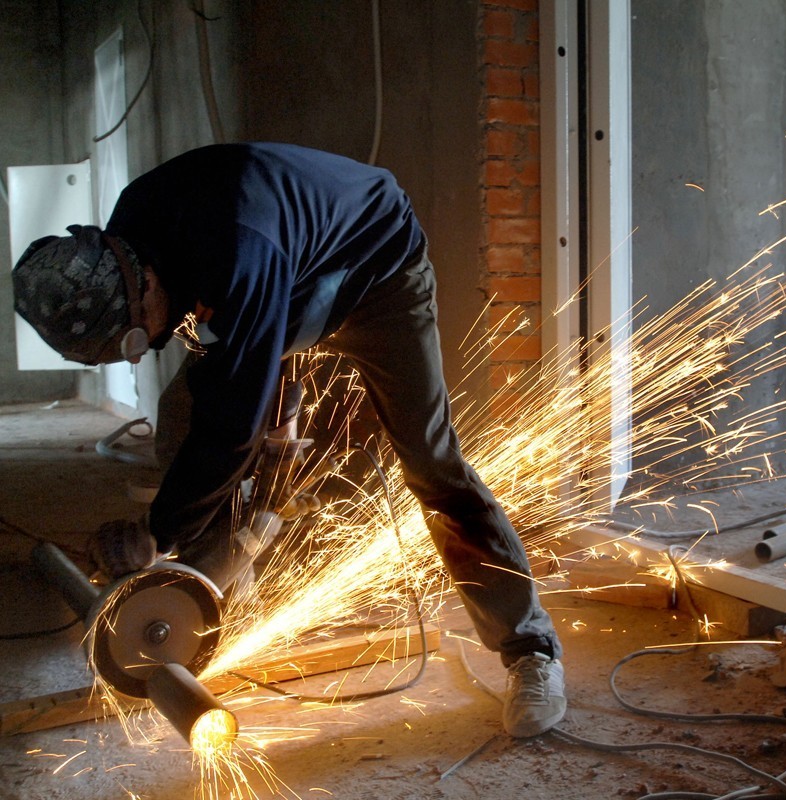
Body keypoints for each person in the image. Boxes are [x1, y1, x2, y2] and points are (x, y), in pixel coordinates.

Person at [11, 142, 566, 738]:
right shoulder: (134, 230)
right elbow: (218, 364)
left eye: (133, 338)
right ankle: (210, 592)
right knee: (183, 412)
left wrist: (157, 530)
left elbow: (231, 426)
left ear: (141, 283)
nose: (143, 350)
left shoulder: (237, 251)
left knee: (431, 462)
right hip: (279, 272)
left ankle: (530, 648)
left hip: (376, 270)